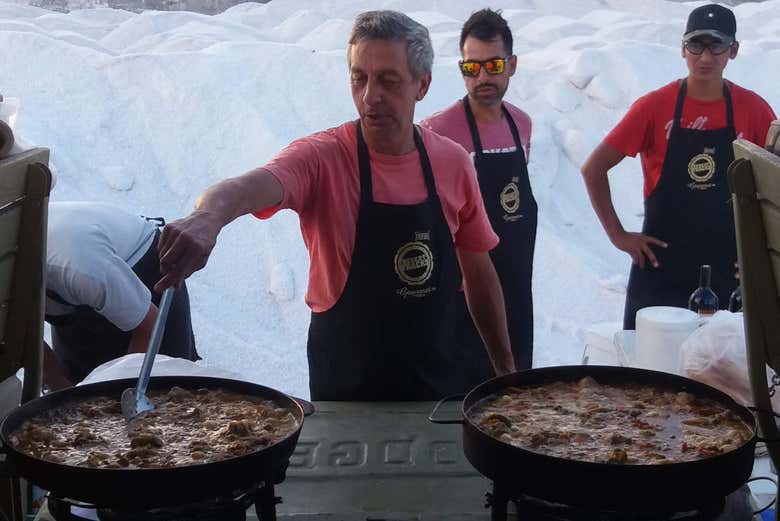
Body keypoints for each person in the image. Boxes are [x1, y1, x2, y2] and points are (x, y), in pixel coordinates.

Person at [155, 10, 515, 401]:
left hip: (440, 389)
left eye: (388, 81)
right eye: (359, 78)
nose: (370, 96)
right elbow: (247, 186)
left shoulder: (453, 162)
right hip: (347, 393)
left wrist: (505, 371)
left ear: (422, 84)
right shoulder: (320, 159)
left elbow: (478, 273)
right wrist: (207, 217)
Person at [580, 4, 776, 329]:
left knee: (721, 376)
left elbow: (775, 186)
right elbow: (593, 169)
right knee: (648, 375)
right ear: (683, 48)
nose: (705, 57)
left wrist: (762, 253)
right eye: (696, 45)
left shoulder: (753, 110)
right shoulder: (654, 107)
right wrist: (618, 236)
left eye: (717, 45)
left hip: (728, 273)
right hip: (659, 271)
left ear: (734, 50)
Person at [421, 8, 535, 387]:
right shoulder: (437, 131)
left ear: (512, 64)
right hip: (460, 304)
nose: (483, 77)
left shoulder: (522, 125)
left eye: (493, 65)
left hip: (517, 295)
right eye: (472, 68)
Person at [44, 202, 199, 390]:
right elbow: (24, 339)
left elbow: (149, 324)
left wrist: (122, 398)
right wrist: (60, 388)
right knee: (78, 389)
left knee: (165, 388)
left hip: (142, 267)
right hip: (72, 289)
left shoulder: (82, 269)